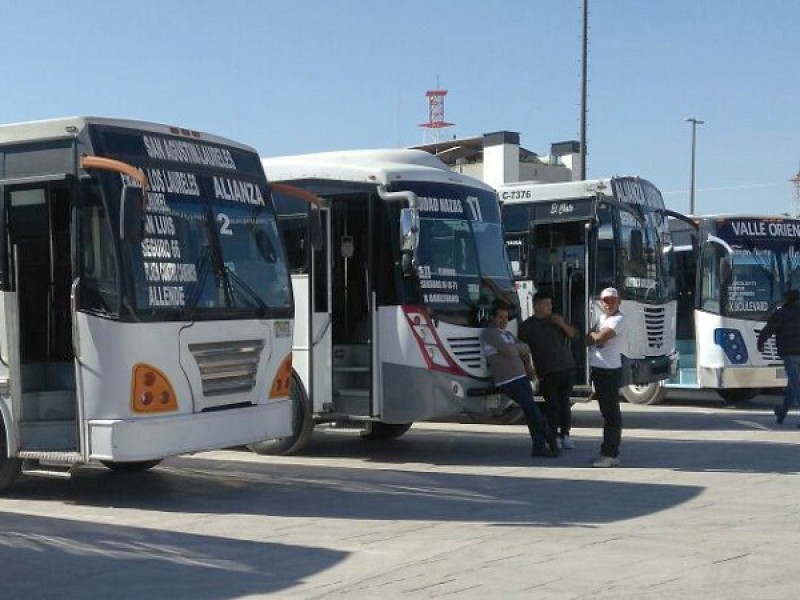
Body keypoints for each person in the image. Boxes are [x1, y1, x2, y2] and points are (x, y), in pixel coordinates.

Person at [480, 301, 560, 458]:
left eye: (506, 317)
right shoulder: (490, 334)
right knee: (532, 410)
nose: (503, 321)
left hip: (521, 377)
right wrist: (516, 350)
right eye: (500, 317)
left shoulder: (507, 335)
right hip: (508, 380)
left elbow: (525, 347)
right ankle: (550, 438)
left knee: (531, 412)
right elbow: (510, 351)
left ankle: (538, 446)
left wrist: (516, 350)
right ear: (492, 318)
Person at [518, 291, 578, 450]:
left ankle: (566, 435)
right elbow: (523, 350)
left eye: (550, 304)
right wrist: (528, 368)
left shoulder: (557, 320)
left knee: (565, 403)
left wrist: (562, 324)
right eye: (546, 304)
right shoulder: (527, 326)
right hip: (547, 370)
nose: (550, 307)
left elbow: (573, 334)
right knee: (552, 405)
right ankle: (554, 435)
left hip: (566, 367)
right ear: (536, 305)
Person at [585, 287, 626, 468]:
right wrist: (592, 337)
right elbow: (591, 338)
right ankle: (609, 452)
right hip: (598, 369)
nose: (609, 304)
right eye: (605, 301)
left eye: (612, 300)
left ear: (619, 301)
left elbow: (600, 338)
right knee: (606, 413)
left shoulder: (619, 319)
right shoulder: (602, 318)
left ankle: (609, 454)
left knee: (611, 414)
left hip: (609, 370)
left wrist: (592, 336)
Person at [757, 289, 800, 426]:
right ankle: (781, 413)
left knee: (795, 386)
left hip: (790, 354)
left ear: (787, 300)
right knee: (792, 387)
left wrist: (760, 344)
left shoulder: (781, 313)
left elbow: (768, 329)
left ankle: (782, 412)